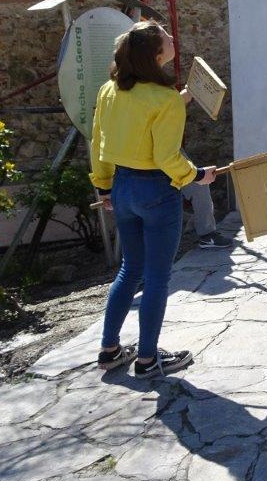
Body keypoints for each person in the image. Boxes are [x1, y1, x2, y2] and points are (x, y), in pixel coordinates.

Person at [90, 21, 218, 378]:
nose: (172, 37)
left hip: (122, 187)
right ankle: (147, 359)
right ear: (156, 54)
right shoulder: (164, 100)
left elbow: (99, 141)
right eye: (166, 36)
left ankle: (109, 349)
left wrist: (104, 187)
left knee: (130, 269)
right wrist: (197, 176)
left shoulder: (110, 90)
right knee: (158, 277)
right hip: (157, 192)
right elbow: (167, 158)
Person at [177, 87, 233, 249]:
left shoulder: (154, 85)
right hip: (150, 156)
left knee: (199, 184)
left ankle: (207, 234)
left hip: (172, 150)